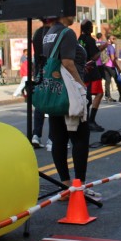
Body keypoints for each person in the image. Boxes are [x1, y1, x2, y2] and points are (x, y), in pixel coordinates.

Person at [43, 12, 97, 199]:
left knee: (59, 138)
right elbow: (67, 62)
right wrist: (81, 84)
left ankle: (65, 185)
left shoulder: (48, 33)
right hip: (70, 92)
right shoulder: (67, 33)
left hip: (55, 91)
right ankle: (78, 186)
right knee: (80, 138)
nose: (74, 14)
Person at [30, 17, 56, 149]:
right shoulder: (54, 33)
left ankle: (36, 135)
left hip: (39, 71)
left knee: (40, 104)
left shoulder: (37, 33)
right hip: (51, 71)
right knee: (53, 105)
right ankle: (52, 139)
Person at [78, 20, 106, 132]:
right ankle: (91, 120)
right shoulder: (90, 40)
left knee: (86, 96)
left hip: (81, 70)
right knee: (99, 93)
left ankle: (83, 121)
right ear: (90, 28)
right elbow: (94, 56)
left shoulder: (79, 39)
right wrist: (102, 48)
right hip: (92, 70)